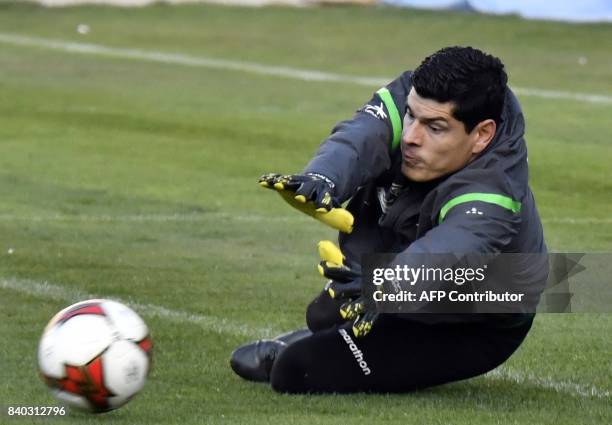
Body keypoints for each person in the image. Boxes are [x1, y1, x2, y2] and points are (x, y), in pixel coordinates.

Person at [230, 46, 548, 393]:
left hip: (480, 313)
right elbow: (362, 136)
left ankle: (310, 344)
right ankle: (343, 327)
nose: (411, 136)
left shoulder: (494, 187)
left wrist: (386, 283)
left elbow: (451, 249)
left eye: (435, 128)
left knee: (296, 370)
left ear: (482, 135)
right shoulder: (420, 95)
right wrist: (323, 177)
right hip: (407, 266)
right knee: (323, 313)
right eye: (411, 117)